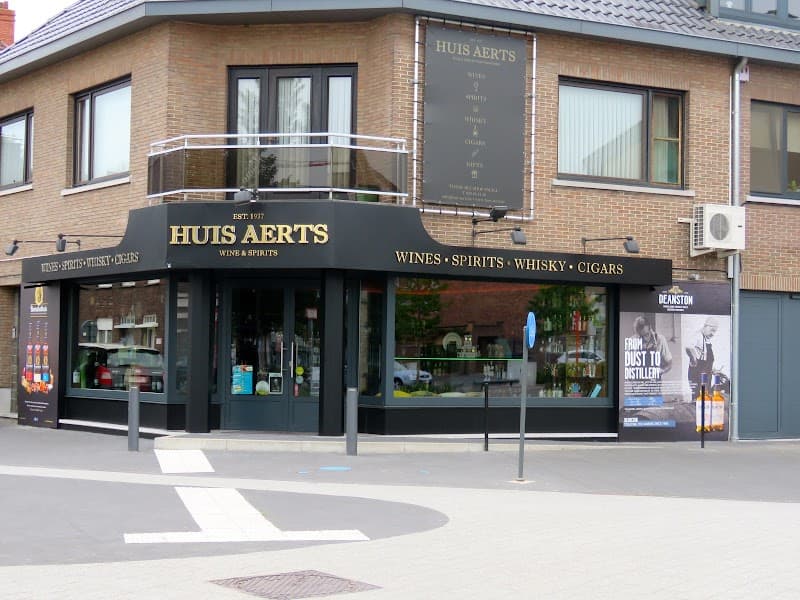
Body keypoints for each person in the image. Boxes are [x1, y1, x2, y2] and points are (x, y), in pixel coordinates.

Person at [685, 316, 719, 396]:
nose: (713, 334)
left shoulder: (706, 339)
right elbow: (688, 347)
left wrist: (712, 369)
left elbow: (707, 358)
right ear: (706, 326)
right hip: (698, 372)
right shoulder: (697, 335)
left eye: (715, 331)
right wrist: (694, 360)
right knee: (699, 394)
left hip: (706, 372)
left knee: (705, 394)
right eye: (712, 330)